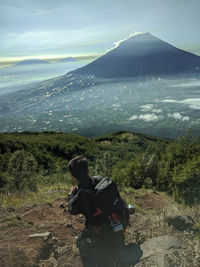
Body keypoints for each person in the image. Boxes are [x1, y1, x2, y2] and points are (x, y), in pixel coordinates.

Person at [67, 155, 129, 266]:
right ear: (88, 170)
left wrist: (71, 195)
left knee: (80, 241)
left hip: (101, 232)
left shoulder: (80, 196)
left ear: (72, 176)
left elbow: (71, 210)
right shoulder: (103, 181)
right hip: (116, 222)